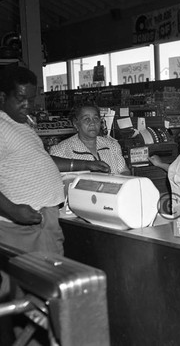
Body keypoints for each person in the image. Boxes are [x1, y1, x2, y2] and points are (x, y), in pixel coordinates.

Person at [0, 65, 110, 256]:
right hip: (19, 226)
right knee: (25, 280)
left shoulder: (21, 123)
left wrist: (84, 165)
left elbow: (41, 159)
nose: (28, 105)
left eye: (31, 99)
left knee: (49, 279)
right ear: (2, 97)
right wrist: (12, 210)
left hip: (43, 221)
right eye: (20, 99)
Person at [50, 102, 130, 175]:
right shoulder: (61, 151)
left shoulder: (112, 146)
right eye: (86, 119)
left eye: (96, 118)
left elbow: (124, 171)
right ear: (76, 124)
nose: (92, 123)